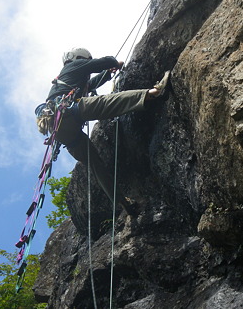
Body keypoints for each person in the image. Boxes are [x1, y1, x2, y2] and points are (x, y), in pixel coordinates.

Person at [36, 47, 170, 216]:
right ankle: (153, 93)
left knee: (95, 163)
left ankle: (120, 201)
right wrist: (114, 63)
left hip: (63, 132)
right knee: (109, 102)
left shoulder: (71, 80)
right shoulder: (74, 65)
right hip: (68, 111)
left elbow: (92, 83)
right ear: (79, 58)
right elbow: (100, 63)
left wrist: (108, 74)